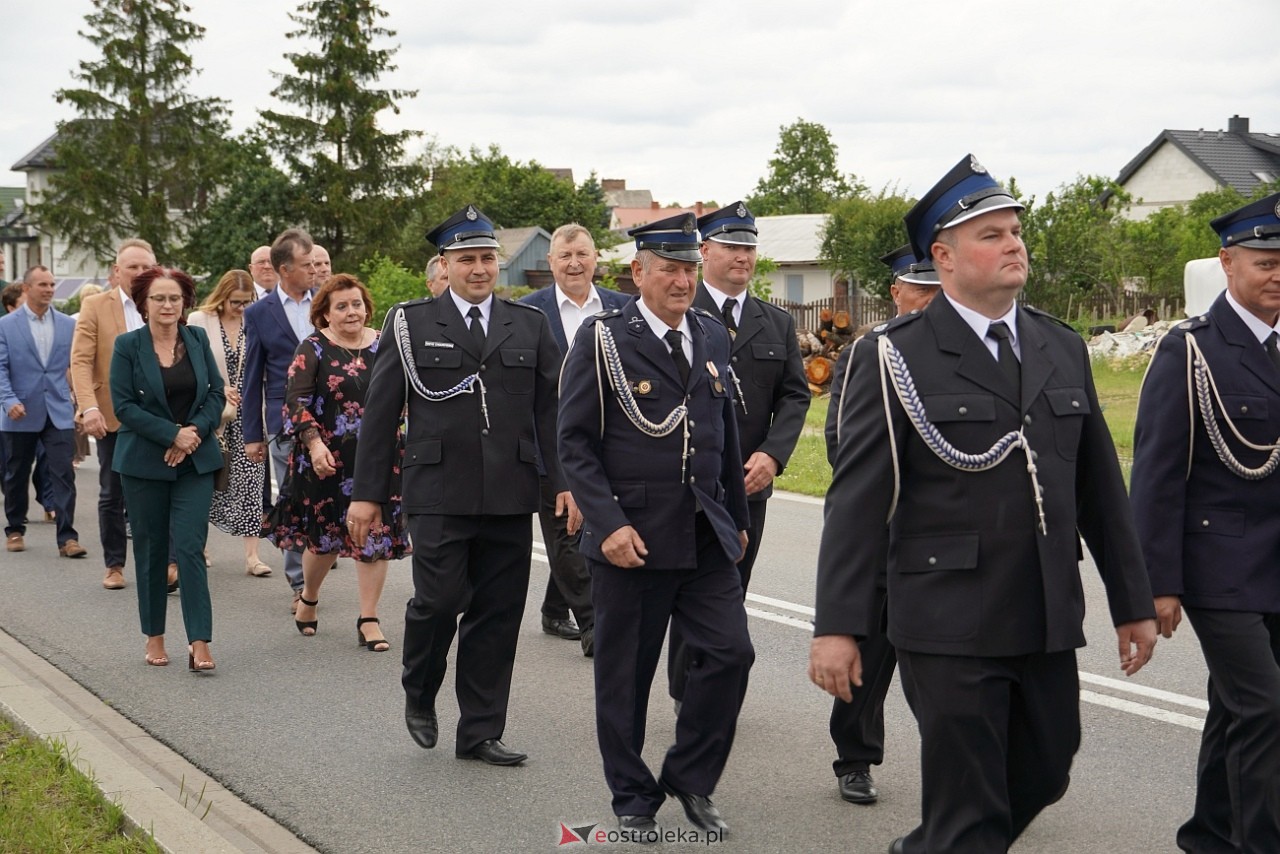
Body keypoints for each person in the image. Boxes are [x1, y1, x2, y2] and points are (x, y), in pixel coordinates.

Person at [810, 154, 1158, 854]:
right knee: (971, 805)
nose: (1014, 245)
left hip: (1044, 609)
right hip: (947, 615)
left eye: (1015, 231)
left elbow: (1099, 490)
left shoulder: (1061, 346)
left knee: (1048, 766)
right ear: (943, 256)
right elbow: (858, 500)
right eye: (992, 234)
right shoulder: (895, 355)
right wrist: (839, 626)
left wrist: (1134, 602)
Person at [558, 212, 754, 835]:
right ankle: (633, 798)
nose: (682, 280)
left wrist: (738, 519)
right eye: (668, 269)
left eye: (690, 269)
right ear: (638, 272)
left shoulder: (711, 334)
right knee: (626, 679)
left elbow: (723, 434)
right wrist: (607, 524)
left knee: (731, 655)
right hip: (633, 540)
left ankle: (691, 777)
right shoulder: (603, 339)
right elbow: (575, 442)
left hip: (703, 534)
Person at [348, 205, 565, 766]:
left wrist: (565, 484)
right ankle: (420, 688)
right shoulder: (411, 322)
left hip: (510, 493)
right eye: (465, 259)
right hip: (438, 489)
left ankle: (480, 731)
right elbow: (381, 413)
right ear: (444, 265)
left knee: (497, 615)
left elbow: (552, 415)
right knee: (439, 602)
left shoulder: (531, 325)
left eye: (487, 258)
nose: (478, 269)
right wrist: (367, 494)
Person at [1130, 192, 1280, 853]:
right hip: (1219, 568)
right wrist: (1156, 583)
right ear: (1227, 263)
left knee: (1237, 709)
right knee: (1267, 709)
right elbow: (1158, 478)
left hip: (1275, 566)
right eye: (1265, 262)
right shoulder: (1189, 352)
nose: (1278, 274)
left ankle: (1207, 836)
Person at [665, 201, 808, 706]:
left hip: (749, 480)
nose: (743, 256)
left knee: (733, 585)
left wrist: (773, 455)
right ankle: (687, 690)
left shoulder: (776, 323)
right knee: (689, 585)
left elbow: (795, 394)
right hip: (690, 477)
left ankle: (712, 683)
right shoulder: (678, 311)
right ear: (705, 252)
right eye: (732, 246)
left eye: (749, 247)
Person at [822, 245, 940, 806]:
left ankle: (979, 772)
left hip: (945, 540)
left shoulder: (962, 350)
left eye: (939, 289)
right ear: (897, 293)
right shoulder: (868, 352)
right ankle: (856, 759)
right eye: (921, 290)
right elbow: (841, 441)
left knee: (955, 670)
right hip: (885, 530)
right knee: (866, 656)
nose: (930, 301)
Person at [265, 273, 409, 651]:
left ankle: (369, 618)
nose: (351, 312)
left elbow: (407, 392)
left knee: (374, 535)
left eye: (357, 304)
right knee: (325, 539)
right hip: (327, 459)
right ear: (325, 314)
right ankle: (309, 596)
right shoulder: (312, 348)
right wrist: (313, 445)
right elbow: (294, 403)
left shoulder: (385, 344)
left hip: (379, 458)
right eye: (341, 306)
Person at [519, 223, 629, 657]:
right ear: (550, 263)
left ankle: (552, 607)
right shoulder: (529, 313)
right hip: (552, 443)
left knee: (595, 522)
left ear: (595, 258)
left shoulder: (624, 308)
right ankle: (594, 625)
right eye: (564, 256)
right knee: (567, 528)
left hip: (615, 440)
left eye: (582, 254)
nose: (574, 263)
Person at [109, 266, 225, 671]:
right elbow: (123, 406)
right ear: (144, 303)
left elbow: (214, 393)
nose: (167, 304)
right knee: (152, 548)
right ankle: (154, 635)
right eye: (158, 298)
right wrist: (170, 435)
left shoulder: (195, 339)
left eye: (174, 297)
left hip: (195, 461)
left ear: (185, 303)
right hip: (143, 463)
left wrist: (191, 433)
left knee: (190, 547)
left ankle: (199, 640)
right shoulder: (128, 346)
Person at [72, 238, 157, 589]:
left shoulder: (165, 302)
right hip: (111, 415)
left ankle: (164, 563)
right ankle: (114, 565)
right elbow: (80, 360)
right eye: (132, 267)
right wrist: (88, 406)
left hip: (160, 415)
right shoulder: (95, 305)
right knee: (113, 491)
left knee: (160, 491)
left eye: (145, 267)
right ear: (116, 272)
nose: (139, 273)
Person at [243, 228, 316, 612]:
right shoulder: (258, 313)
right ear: (285, 269)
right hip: (284, 421)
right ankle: (299, 583)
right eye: (306, 265)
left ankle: (319, 563)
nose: (314, 271)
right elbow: (251, 376)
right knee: (291, 498)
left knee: (327, 497)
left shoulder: (327, 302)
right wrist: (253, 434)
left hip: (332, 418)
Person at [187, 270, 271, 577]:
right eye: (235, 301)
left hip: (250, 413)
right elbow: (192, 365)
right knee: (207, 482)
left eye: (246, 301)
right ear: (222, 297)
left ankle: (252, 557)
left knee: (251, 482)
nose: (241, 307)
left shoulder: (256, 320)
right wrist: (219, 388)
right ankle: (201, 546)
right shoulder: (199, 320)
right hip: (213, 412)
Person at [0, 266, 83, 557]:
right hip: (19, 411)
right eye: (42, 284)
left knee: (63, 474)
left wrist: (82, 402)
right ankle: (14, 528)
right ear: (26, 288)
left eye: (52, 284)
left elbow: (77, 364)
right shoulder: (6, 325)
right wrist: (8, 401)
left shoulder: (67, 324)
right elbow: (0, 368)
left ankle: (67, 538)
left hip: (58, 409)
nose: (49, 289)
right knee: (15, 473)